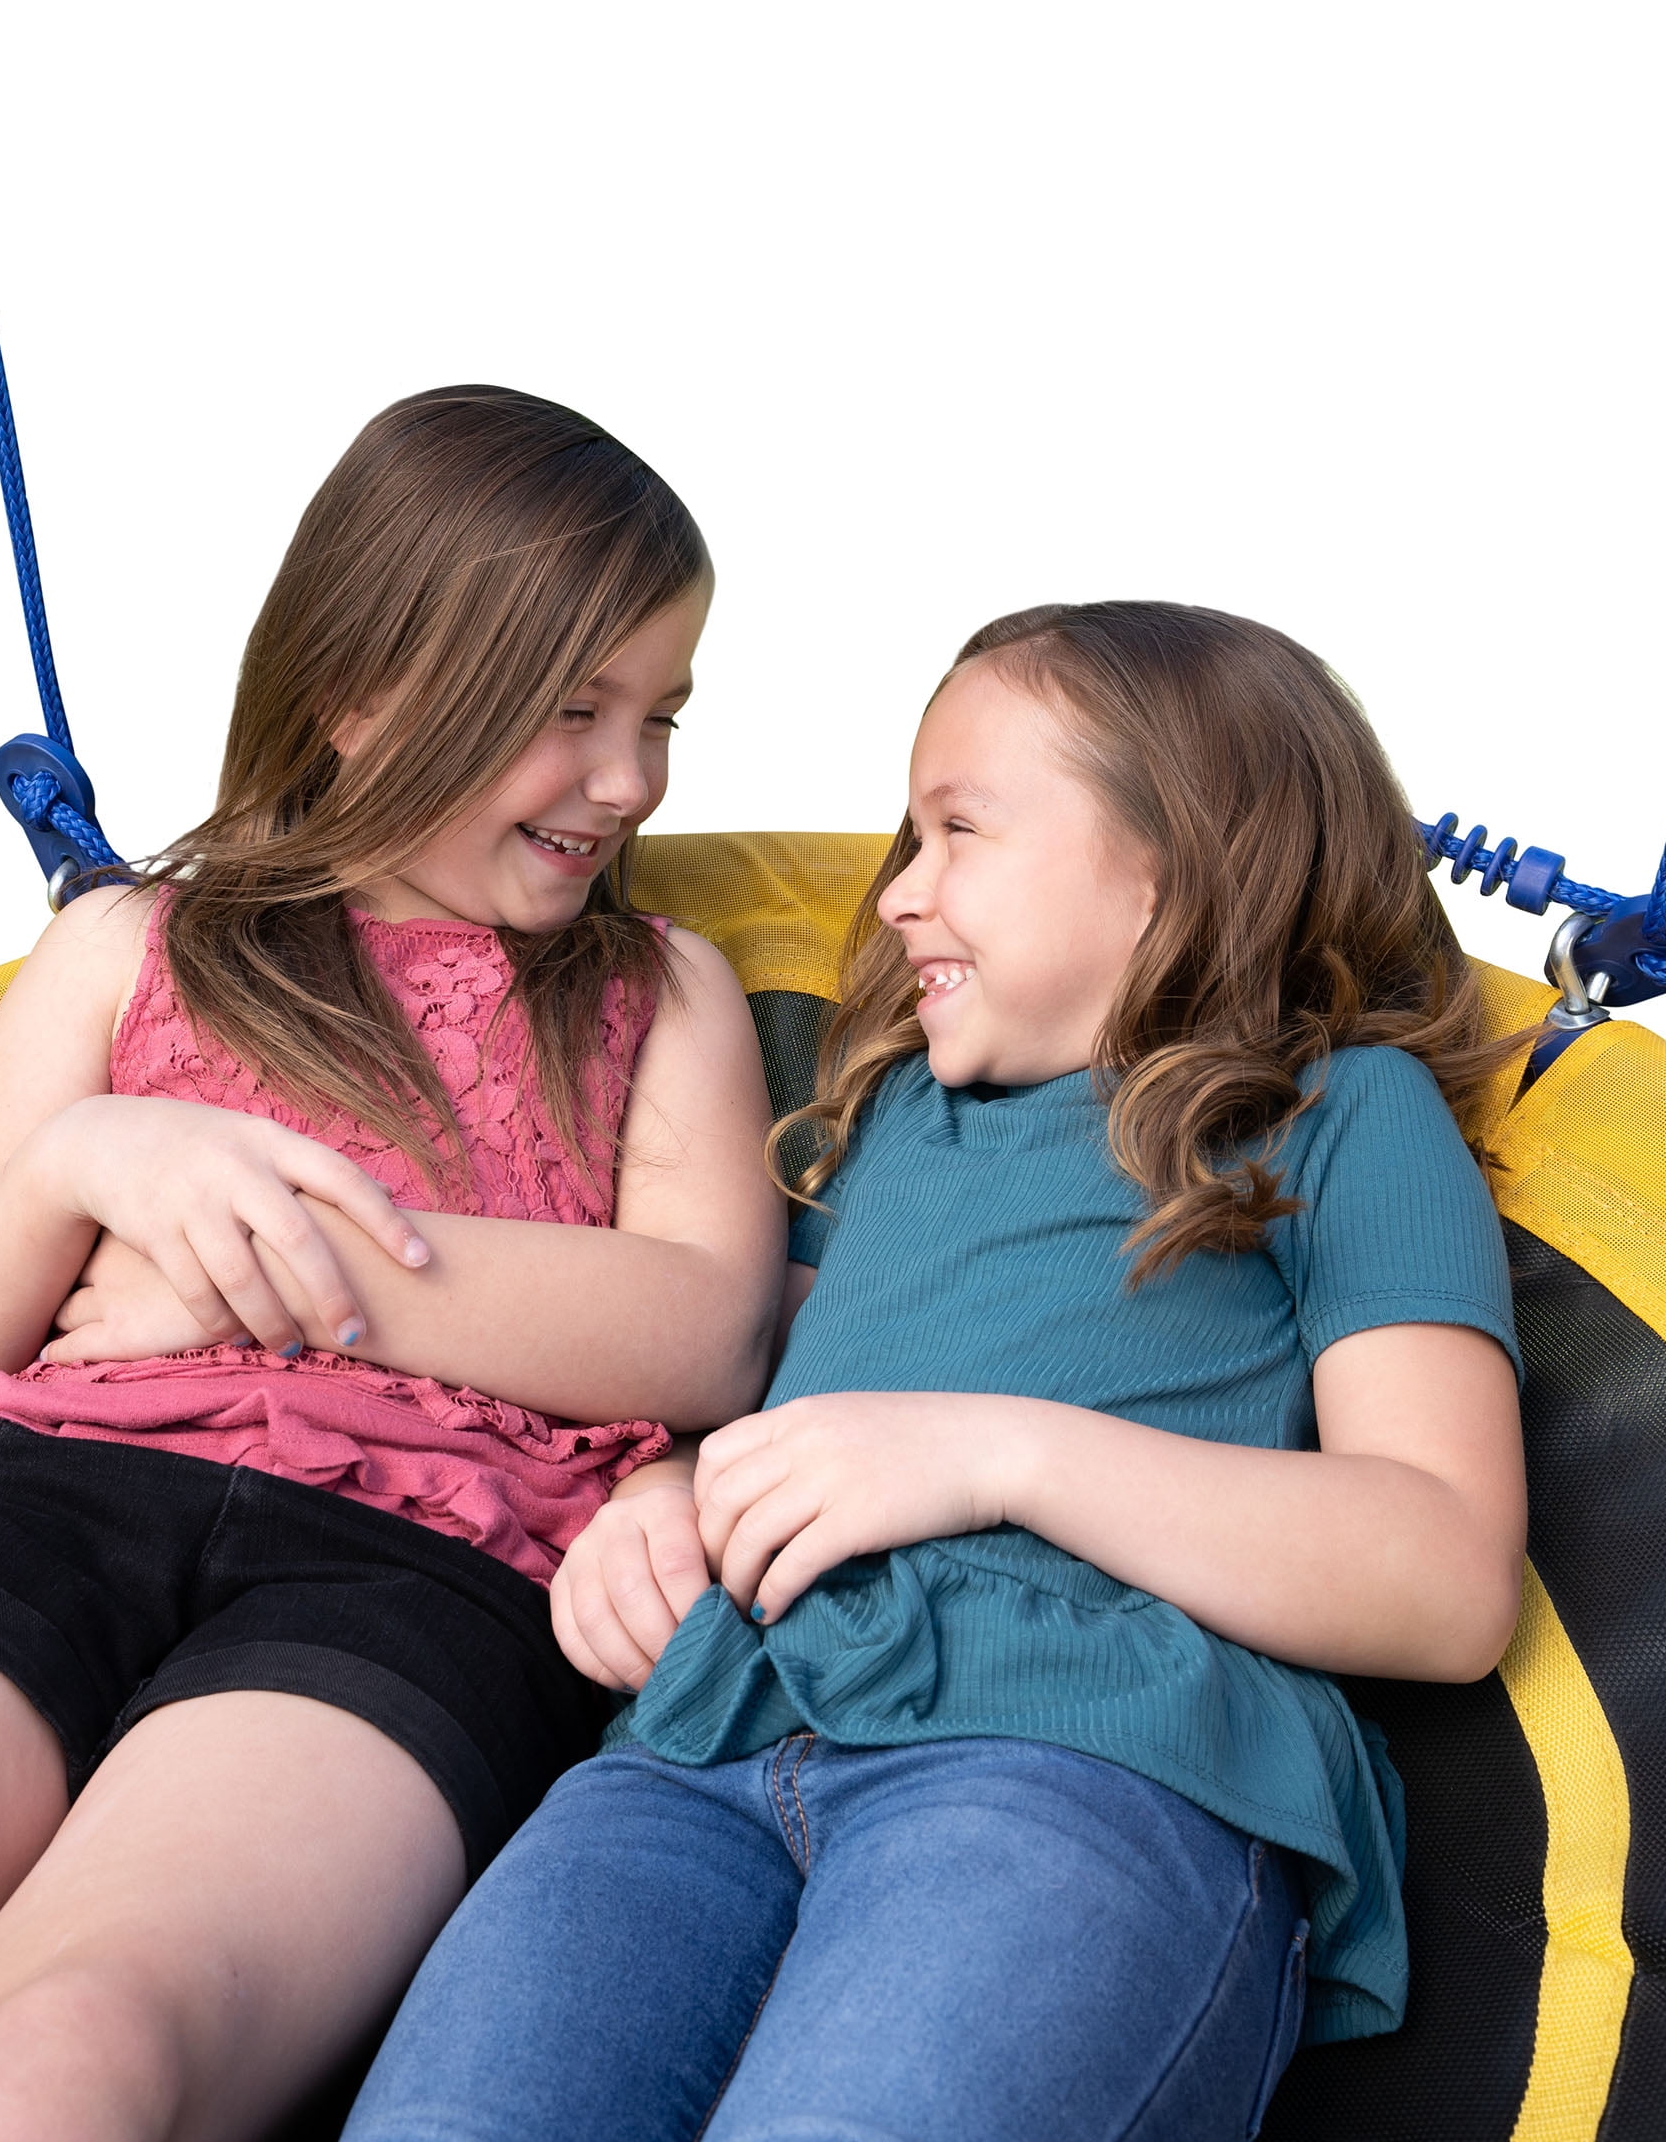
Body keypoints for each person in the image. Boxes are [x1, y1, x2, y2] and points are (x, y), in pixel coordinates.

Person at [0, 387, 785, 2142]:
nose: (633, 781)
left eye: (662, 715)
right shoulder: (126, 949)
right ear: (362, 696)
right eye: (574, 711)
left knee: (58, 2061)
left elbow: (705, 1330)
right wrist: (84, 1162)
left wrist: (262, 1267)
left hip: (417, 1572)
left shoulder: (653, 990)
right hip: (29, 1504)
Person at [347, 600, 1531, 2142]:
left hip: (1078, 1756)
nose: (899, 894)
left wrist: (998, 1458)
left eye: (957, 831)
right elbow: (799, 1409)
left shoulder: (1340, 1112)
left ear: (1176, 861)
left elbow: (1446, 1574)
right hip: (702, 1746)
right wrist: (672, 1491)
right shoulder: (895, 1118)